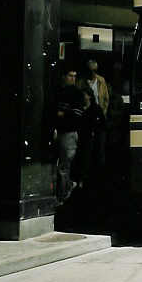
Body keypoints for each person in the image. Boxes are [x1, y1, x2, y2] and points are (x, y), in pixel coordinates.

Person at [56, 69, 85, 203]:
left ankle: (63, 194)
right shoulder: (62, 92)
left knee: (64, 165)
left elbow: (77, 114)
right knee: (64, 165)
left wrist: (64, 114)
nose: (72, 78)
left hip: (68, 132)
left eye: (74, 76)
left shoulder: (76, 94)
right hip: (64, 131)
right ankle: (65, 189)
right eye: (70, 75)